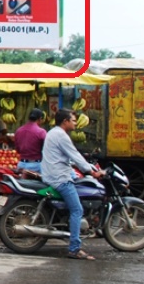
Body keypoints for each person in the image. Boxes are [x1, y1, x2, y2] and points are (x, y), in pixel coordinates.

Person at [41, 108, 105, 261]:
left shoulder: (53, 133)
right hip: (60, 179)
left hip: (53, 175)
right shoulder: (61, 136)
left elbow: (69, 158)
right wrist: (92, 172)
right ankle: (74, 249)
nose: (76, 123)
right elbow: (75, 155)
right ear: (65, 121)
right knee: (77, 210)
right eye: (73, 120)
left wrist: (89, 167)